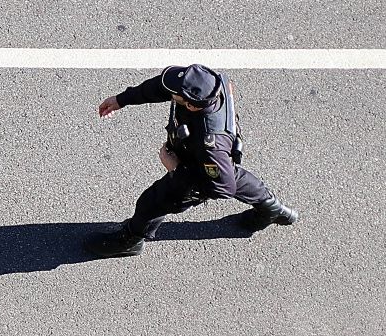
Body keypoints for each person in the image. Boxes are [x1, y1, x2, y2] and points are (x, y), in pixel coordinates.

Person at [86, 64, 298, 257]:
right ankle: (272, 209)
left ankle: (131, 240)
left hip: (195, 168)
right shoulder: (210, 84)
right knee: (231, 173)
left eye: (176, 96)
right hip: (209, 158)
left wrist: (175, 169)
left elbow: (222, 188)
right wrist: (122, 100)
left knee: (151, 203)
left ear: (193, 106)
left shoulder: (210, 144)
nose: (171, 94)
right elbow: (161, 87)